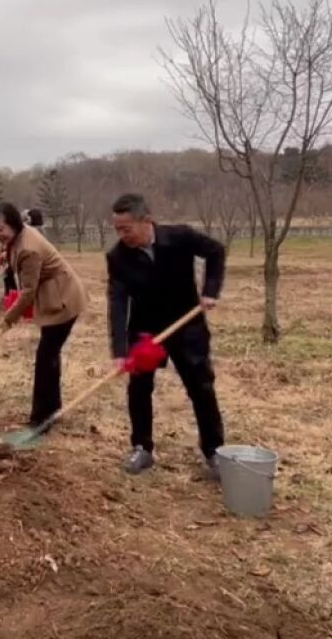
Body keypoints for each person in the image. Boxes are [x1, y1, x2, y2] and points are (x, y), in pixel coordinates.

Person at [106, 194, 226, 476]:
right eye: (117, 230)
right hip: (146, 330)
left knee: (201, 388)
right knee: (139, 388)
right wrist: (120, 351)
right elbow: (118, 301)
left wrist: (210, 290)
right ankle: (142, 448)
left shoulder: (180, 237)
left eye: (127, 228)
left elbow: (216, 251)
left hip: (187, 325)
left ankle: (214, 451)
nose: (122, 235)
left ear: (146, 221)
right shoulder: (117, 256)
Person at [0, 202, 88, 430]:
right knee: (49, 356)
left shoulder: (28, 248)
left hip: (63, 300)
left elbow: (28, 291)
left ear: (13, 223)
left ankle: (41, 419)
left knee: (45, 358)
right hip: (53, 296)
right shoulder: (17, 238)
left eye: (0, 229)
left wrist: (9, 318)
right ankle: (51, 409)